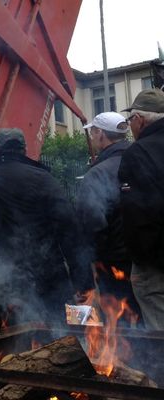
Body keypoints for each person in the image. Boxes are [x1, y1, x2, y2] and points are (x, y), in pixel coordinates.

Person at [0, 128, 94, 326]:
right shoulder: (45, 182)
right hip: (50, 282)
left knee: (18, 347)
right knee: (60, 339)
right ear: (24, 149)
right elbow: (70, 232)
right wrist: (83, 283)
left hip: (5, 289)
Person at [76, 112, 141, 325]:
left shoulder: (97, 174)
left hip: (114, 268)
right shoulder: (144, 161)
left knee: (122, 326)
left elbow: (92, 226)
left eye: (93, 133)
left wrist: (92, 263)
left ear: (100, 134)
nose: (93, 138)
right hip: (148, 260)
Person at [118, 89, 164, 330]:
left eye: (130, 120)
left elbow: (138, 215)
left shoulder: (138, 153)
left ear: (140, 120)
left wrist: (143, 262)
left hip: (155, 266)